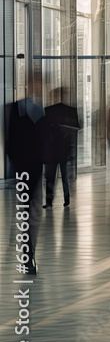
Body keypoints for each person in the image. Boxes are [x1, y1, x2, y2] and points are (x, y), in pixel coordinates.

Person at [5, 98, 46, 274]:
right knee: (32, 215)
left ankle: (26, 254)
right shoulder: (35, 115)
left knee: (26, 214)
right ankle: (28, 257)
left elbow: (10, 147)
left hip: (22, 172)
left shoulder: (11, 117)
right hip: (32, 171)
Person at [41, 89, 80, 208]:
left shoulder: (48, 110)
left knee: (51, 177)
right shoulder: (71, 111)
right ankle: (65, 198)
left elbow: (43, 132)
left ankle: (50, 201)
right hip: (62, 150)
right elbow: (76, 128)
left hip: (53, 150)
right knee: (63, 176)